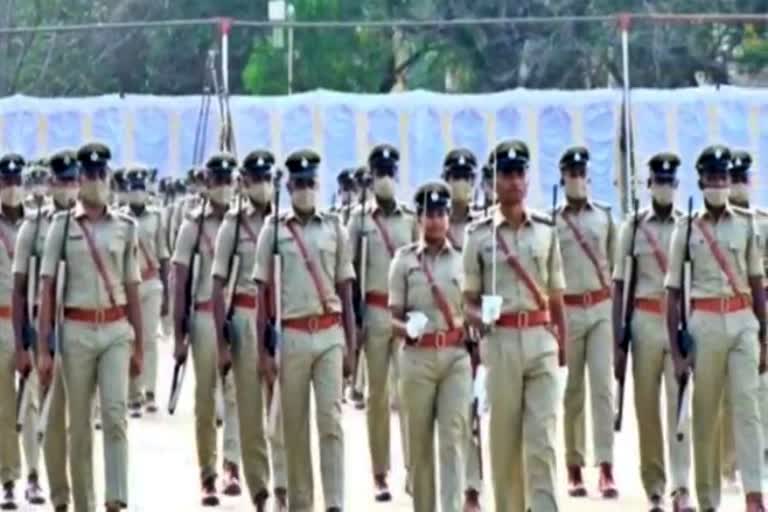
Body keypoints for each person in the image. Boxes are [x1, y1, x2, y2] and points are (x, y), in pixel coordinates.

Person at [37, 142, 144, 512]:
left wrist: (139, 344)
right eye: (90, 175)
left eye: (102, 175)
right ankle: (83, 503)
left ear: (108, 177)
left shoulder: (125, 227)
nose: (96, 181)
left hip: (115, 330)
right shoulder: (61, 226)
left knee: (115, 415)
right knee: (79, 426)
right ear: (79, 180)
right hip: (76, 330)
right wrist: (44, 349)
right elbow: (47, 286)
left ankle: (116, 499)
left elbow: (133, 287)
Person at [462, 140, 567, 512]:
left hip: (541, 341)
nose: (512, 181)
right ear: (494, 180)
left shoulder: (546, 231)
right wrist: (480, 317)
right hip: (501, 341)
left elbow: (556, 296)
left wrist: (563, 351)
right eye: (505, 174)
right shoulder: (478, 235)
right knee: (505, 443)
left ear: (527, 179)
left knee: (542, 441)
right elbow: (467, 301)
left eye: (519, 173)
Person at [253, 149, 356, 512]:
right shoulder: (274, 230)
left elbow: (346, 288)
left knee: (331, 421)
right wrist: (263, 352)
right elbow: (262, 292)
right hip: (291, 336)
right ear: (289, 186)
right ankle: (300, 503)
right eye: (298, 184)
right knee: (294, 428)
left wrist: (351, 347)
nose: (305, 190)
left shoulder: (335, 228)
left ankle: (335, 503)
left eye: (310, 182)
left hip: (329, 334)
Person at [665, 145, 766, 512]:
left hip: (742, 321)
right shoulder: (686, 228)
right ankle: (708, 499)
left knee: (747, 409)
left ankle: (755, 494)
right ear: (701, 181)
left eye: (724, 178)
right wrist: (677, 352)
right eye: (713, 178)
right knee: (705, 416)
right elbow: (673, 293)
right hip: (703, 324)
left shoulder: (747, 223)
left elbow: (757, 284)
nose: (720, 184)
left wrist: (764, 337)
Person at [612, 153, 693, 511]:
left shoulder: (688, 226)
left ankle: (681, 487)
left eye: (669, 181)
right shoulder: (632, 228)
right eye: (657, 181)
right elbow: (619, 286)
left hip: (675, 322)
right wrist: (618, 340)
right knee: (646, 411)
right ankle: (655, 489)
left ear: (676, 186)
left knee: (680, 409)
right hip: (643, 321)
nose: (663, 187)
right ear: (648, 185)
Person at [389, 180, 472, 512]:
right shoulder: (403, 261)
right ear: (419, 218)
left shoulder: (465, 260)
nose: (435, 220)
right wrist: (406, 327)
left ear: (448, 217)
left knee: (453, 440)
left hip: (455, 359)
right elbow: (391, 318)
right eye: (429, 214)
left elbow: (473, 309)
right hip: (417, 357)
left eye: (441, 213)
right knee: (420, 444)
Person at [211, 149, 286, 511]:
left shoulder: (284, 222)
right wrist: (223, 341)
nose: (263, 185)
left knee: (284, 407)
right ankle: (259, 488)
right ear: (245, 183)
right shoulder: (234, 225)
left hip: (280, 318)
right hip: (243, 315)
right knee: (251, 409)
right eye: (256, 179)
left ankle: (285, 483)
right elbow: (217, 282)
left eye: (267, 178)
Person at [346, 144, 417, 501]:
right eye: (380, 173)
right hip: (373, 312)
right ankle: (379, 472)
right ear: (371, 178)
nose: (386, 179)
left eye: (391, 172)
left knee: (409, 393)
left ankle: (413, 469)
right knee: (376, 395)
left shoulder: (410, 219)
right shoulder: (358, 220)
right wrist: (355, 321)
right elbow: (349, 274)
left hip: (404, 315)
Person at [172, 153, 242, 506]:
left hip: (235, 316)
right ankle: (207, 473)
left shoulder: (243, 222)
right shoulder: (193, 226)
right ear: (207, 183)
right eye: (218, 181)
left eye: (229, 180)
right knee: (205, 398)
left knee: (237, 393)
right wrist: (178, 333)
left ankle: (232, 465)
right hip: (201, 317)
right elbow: (179, 279)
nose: (224, 187)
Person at [13, 150, 79, 512]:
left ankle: (70, 484)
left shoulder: (87, 223)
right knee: (36, 407)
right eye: (62, 181)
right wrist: (27, 340)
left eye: (73, 180)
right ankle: (35, 477)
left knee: (74, 417)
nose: (68, 187)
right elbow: (21, 287)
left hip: (79, 327)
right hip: (44, 328)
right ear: (51, 184)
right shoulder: (35, 227)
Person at [554, 146, 618, 498]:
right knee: (572, 390)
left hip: (600, 308)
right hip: (567, 310)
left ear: (588, 177)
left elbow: (613, 265)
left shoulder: (604, 217)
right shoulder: (552, 221)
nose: (577, 179)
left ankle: (606, 466)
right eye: (571, 174)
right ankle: (574, 466)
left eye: (581, 173)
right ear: (562, 178)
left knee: (602, 390)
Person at [121, 166, 169, 417]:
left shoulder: (156, 217)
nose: (138, 192)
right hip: (129, 286)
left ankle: (150, 391)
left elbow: (163, 254)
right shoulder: (120, 219)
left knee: (149, 339)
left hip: (151, 283)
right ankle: (133, 393)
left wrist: (167, 294)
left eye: (141, 188)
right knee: (130, 339)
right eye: (133, 188)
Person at [0, 153, 30, 509]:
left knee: (36, 406)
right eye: (5, 183)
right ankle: (9, 478)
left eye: (15, 182)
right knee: (6, 407)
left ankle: (37, 475)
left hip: (32, 324)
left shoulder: (35, 226)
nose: (11, 189)